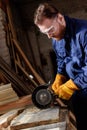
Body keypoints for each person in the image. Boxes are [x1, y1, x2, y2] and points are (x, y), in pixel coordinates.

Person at [34, 2, 87, 130]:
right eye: (45, 33)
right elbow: (61, 59)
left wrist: (71, 85)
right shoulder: (56, 39)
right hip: (78, 95)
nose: (49, 36)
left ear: (60, 18)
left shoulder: (84, 32)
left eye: (50, 30)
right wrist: (60, 76)